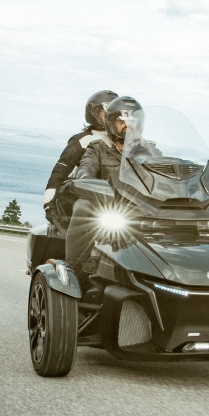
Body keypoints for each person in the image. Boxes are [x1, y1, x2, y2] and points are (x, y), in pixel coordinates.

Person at [65, 95, 142, 282]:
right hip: (108, 208)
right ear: (110, 123)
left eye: (133, 120)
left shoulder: (149, 152)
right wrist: (92, 187)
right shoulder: (97, 149)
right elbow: (84, 174)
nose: (128, 125)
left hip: (141, 209)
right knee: (83, 207)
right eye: (121, 120)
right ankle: (72, 270)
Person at [43, 89, 116, 229]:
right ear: (94, 114)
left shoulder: (128, 142)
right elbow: (60, 170)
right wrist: (48, 203)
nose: (109, 117)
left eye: (113, 113)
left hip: (119, 201)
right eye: (105, 112)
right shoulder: (83, 140)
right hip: (90, 199)